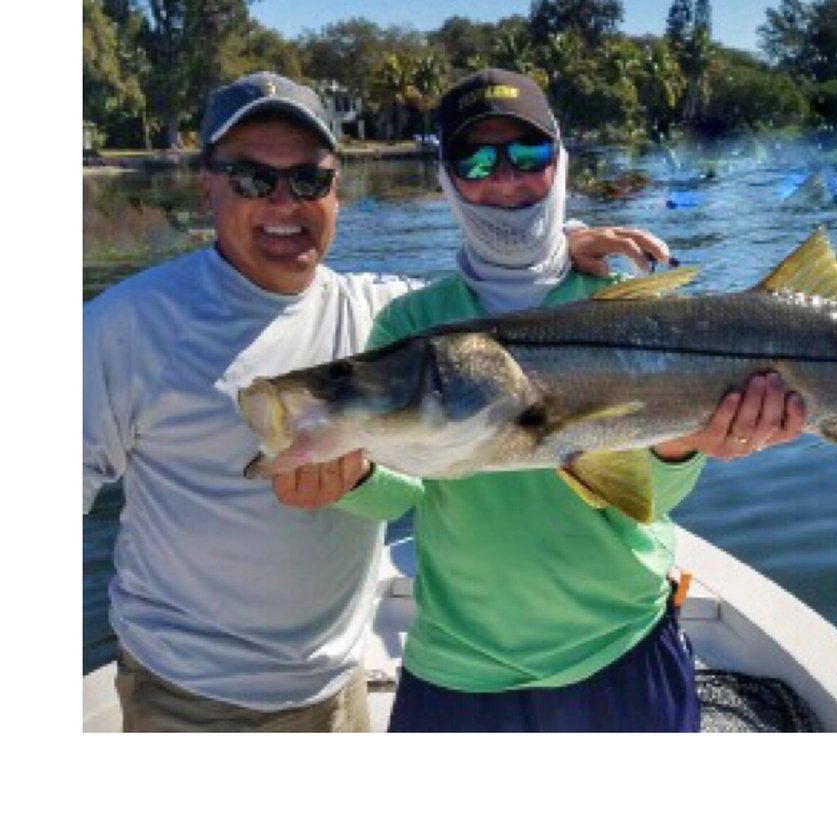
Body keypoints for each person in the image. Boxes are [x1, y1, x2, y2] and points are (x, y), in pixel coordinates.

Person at [83, 71, 668, 732]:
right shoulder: (126, 324)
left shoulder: (382, 313)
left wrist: (561, 245)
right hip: (187, 696)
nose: (284, 202)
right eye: (251, 178)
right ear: (207, 184)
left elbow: (498, 324)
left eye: (309, 179)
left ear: (337, 189)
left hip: (339, 685)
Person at [312, 68, 806, 732]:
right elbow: (405, 493)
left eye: (529, 155)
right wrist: (348, 478)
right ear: (448, 180)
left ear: (560, 162)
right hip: (460, 663)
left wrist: (684, 444)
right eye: (476, 161)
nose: (506, 180)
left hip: (622, 646)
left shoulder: (622, 304)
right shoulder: (412, 326)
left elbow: (650, 498)